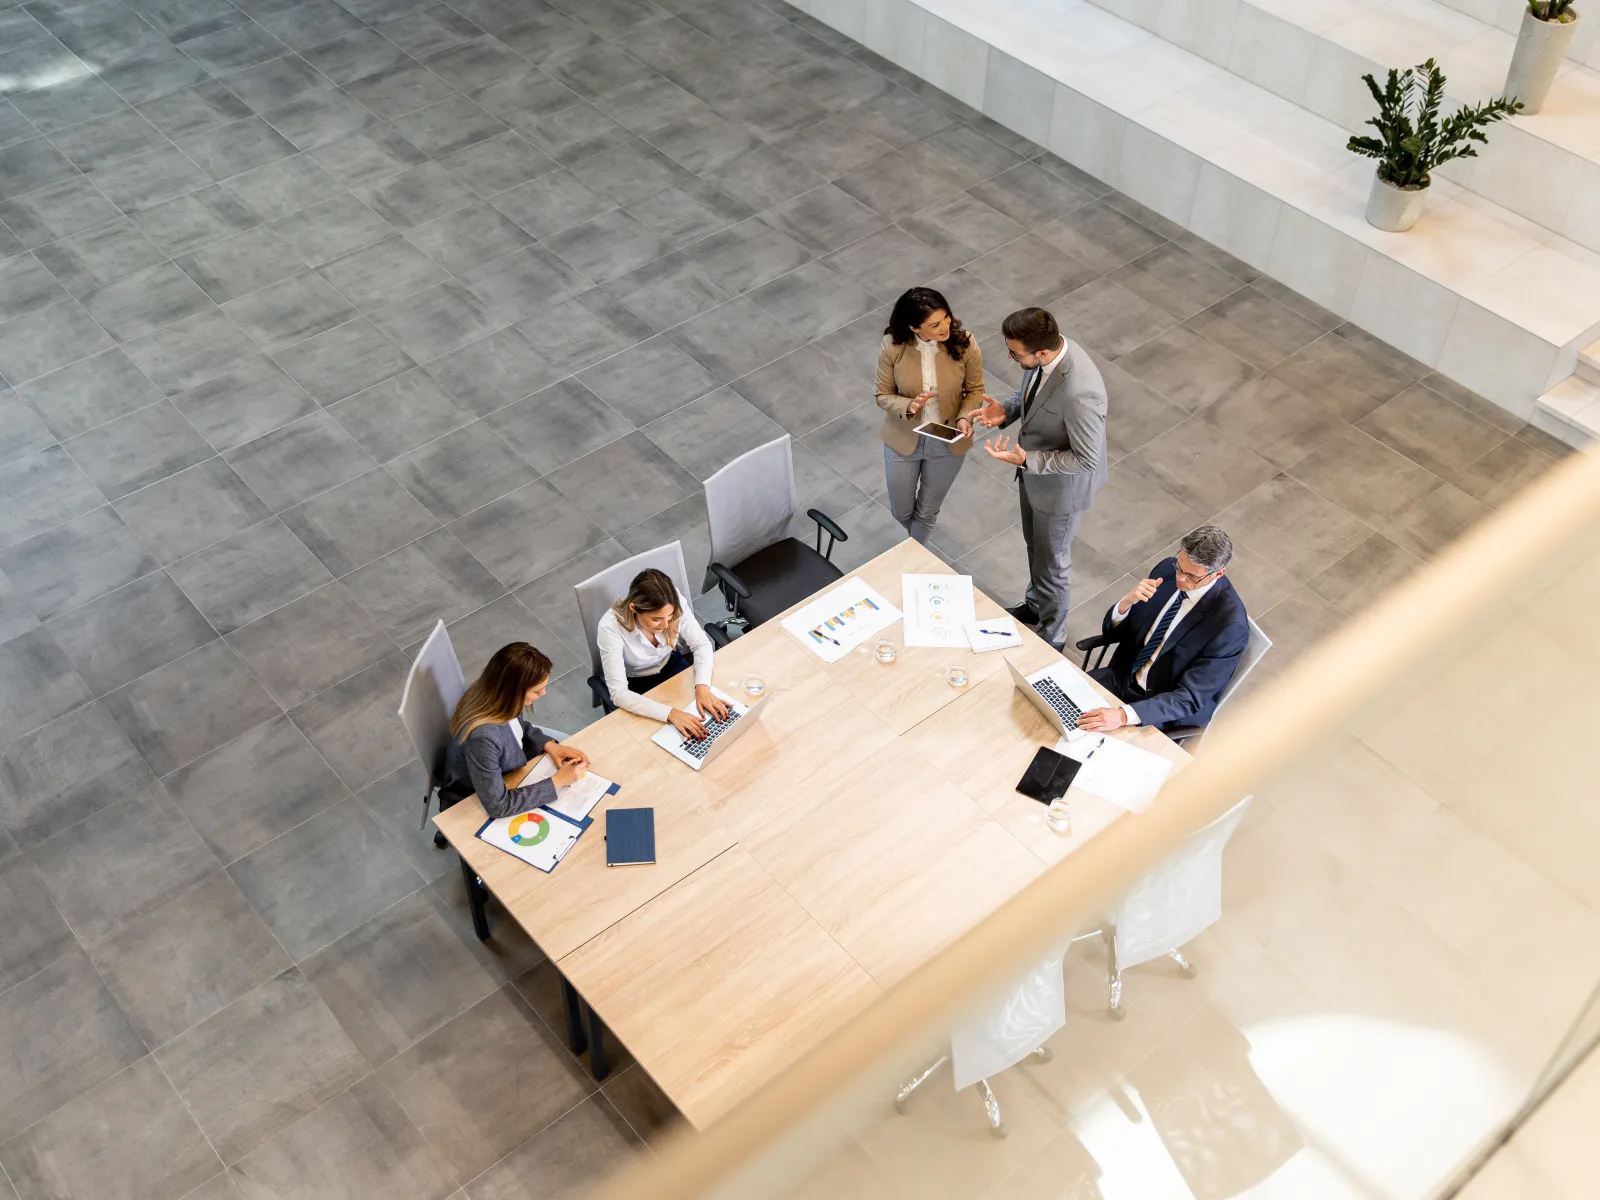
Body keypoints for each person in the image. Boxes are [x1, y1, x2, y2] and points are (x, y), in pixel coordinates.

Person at [970, 306, 1108, 650]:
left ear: (1042, 352)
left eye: (1015, 353)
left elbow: (1087, 458)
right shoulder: (1052, 353)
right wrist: (1007, 410)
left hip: (1060, 490)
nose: (1009, 357)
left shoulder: (1081, 394)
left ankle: (1052, 637)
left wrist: (1027, 459)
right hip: (1034, 477)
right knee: (1038, 549)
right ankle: (1035, 606)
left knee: (1053, 564)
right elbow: (1033, 395)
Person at [1077, 525, 1249, 734]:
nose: (1180, 579)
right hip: (1122, 677)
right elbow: (1114, 634)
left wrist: (1123, 715)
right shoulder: (1166, 571)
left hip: (1162, 711)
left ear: (1218, 573)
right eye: (1180, 567)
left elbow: (1189, 698)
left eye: (1192, 576)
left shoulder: (1229, 626)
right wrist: (1126, 604)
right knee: (1058, 706)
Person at [875, 286, 986, 544]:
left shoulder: (964, 341)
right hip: (904, 438)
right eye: (935, 324)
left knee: (926, 513)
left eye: (946, 317)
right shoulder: (893, 346)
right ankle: (917, 551)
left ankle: (916, 558)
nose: (945, 327)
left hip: (947, 440)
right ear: (914, 328)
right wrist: (909, 406)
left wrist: (965, 417)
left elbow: (975, 389)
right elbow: (882, 395)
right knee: (901, 511)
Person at [440, 643, 591, 821]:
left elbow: (518, 727)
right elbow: (498, 806)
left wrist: (549, 745)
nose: (544, 693)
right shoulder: (483, 738)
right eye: (537, 690)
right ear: (514, 691)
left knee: (563, 742)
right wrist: (557, 781)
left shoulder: (492, 692)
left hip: (506, 763)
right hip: (478, 794)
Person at [596, 567, 729, 739]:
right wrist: (671, 714)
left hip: (671, 664)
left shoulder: (674, 603)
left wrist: (702, 686)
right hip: (637, 683)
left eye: (670, 617)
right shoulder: (610, 627)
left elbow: (701, 644)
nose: (666, 625)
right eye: (656, 619)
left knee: (707, 718)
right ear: (633, 608)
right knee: (662, 737)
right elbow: (619, 693)